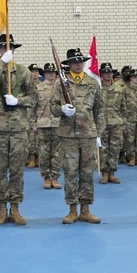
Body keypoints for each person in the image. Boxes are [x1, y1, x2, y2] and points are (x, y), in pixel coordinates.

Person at [0, 34, 38, 226]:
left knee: (17, 171)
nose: (7, 51)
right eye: (3, 48)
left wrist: (19, 101)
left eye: (10, 49)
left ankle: (15, 208)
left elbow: (34, 98)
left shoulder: (23, 72)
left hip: (18, 129)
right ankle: (1, 209)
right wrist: (0, 66)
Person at [51, 48, 104, 223]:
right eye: (75, 61)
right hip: (68, 136)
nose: (78, 64)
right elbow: (52, 107)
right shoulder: (61, 84)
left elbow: (99, 110)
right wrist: (62, 110)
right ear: (69, 64)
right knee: (71, 172)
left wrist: (98, 134)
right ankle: (72, 209)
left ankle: (86, 209)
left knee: (87, 172)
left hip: (88, 134)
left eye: (81, 61)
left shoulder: (92, 82)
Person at [35, 62, 62, 189]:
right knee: (43, 152)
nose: (51, 74)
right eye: (48, 72)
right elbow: (32, 107)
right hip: (43, 123)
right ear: (44, 74)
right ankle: (46, 177)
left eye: (53, 72)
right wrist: (33, 123)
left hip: (58, 123)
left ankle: (55, 177)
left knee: (57, 153)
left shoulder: (61, 88)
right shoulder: (38, 88)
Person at [98, 62, 125, 184]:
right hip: (102, 123)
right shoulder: (97, 88)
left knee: (114, 148)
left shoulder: (119, 89)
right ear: (101, 74)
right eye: (105, 72)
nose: (108, 74)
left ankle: (112, 173)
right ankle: (104, 173)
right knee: (103, 149)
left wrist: (123, 122)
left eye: (110, 72)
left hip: (116, 122)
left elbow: (124, 107)